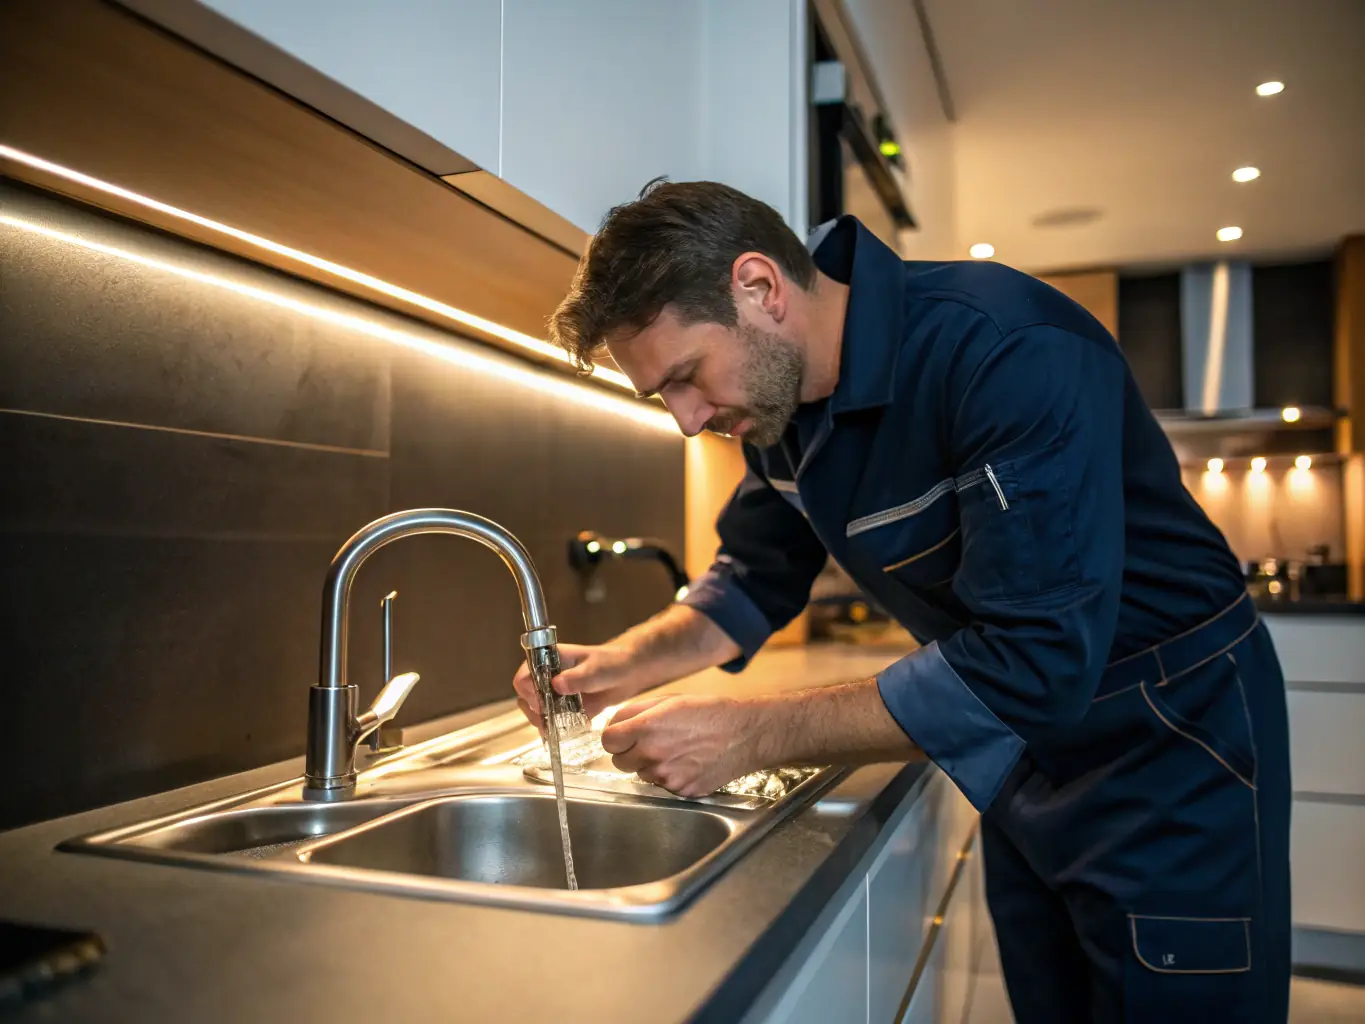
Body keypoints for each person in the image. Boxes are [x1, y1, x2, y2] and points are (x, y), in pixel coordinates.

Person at [511, 179, 1291, 1023]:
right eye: (663, 395)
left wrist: (750, 734)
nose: (687, 420)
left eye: (686, 377)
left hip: (1168, 744)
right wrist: (617, 664)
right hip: (1020, 755)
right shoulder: (778, 410)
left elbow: (1036, 659)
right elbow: (747, 585)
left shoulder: (1001, 349)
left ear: (760, 288)